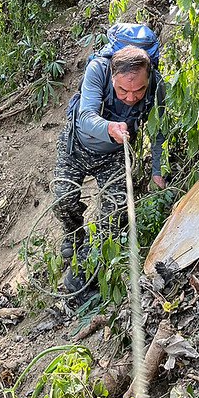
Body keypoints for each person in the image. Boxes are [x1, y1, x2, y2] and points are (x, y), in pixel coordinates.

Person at [53, 41, 166, 293]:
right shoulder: (97, 70)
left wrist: (157, 171)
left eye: (138, 91)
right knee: (63, 198)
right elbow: (85, 116)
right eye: (123, 90)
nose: (131, 98)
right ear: (112, 76)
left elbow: (160, 131)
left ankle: (85, 269)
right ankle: (73, 234)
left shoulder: (157, 87)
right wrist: (110, 128)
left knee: (114, 214)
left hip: (115, 156)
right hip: (77, 147)